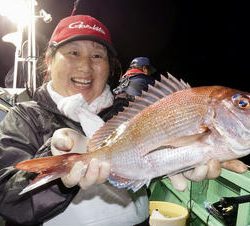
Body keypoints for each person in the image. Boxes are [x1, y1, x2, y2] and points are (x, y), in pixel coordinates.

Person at [0, 14, 247, 226]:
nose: (85, 66)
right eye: (73, 53)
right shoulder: (25, 116)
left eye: (98, 56)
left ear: (110, 66)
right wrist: (60, 176)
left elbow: (143, 161)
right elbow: (7, 200)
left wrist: (183, 162)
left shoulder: (126, 111)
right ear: (49, 60)